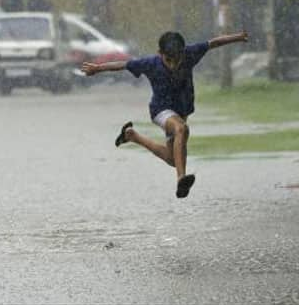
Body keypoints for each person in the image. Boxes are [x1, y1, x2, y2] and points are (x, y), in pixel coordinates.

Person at [80, 30, 248, 198]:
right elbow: (124, 64)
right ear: (160, 53)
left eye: (177, 60)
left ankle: (132, 136)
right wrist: (98, 68)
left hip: (182, 110)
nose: (173, 65)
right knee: (182, 129)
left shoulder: (190, 54)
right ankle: (181, 179)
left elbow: (213, 43)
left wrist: (237, 37)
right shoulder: (150, 63)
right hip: (161, 110)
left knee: (173, 159)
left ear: (183, 52)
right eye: (168, 60)